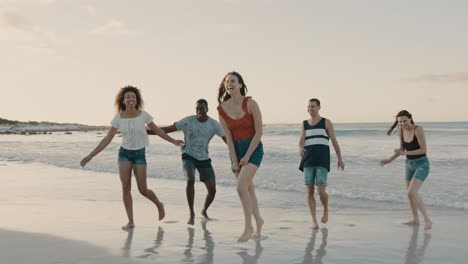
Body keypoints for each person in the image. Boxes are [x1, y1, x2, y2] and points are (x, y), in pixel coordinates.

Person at [80, 85, 184, 230]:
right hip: (124, 154)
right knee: (126, 187)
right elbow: (107, 139)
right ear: (123, 100)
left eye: (133, 97)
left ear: (136, 100)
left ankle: (159, 204)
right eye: (128, 97)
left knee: (143, 189)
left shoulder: (143, 115)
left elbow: (158, 131)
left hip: (139, 155)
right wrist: (90, 155)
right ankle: (131, 221)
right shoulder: (118, 117)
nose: (131, 99)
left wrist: (173, 141)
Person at [152, 99, 226, 225]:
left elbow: (227, 139)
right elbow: (168, 129)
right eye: (197, 108)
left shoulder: (214, 125)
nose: (199, 111)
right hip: (188, 155)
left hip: (204, 158)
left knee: (212, 190)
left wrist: (236, 156)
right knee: (190, 179)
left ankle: (204, 210)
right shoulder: (188, 121)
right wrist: (143, 132)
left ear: (207, 109)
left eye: (202, 108)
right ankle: (191, 213)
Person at [217, 71, 265, 242]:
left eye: (233, 81)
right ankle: (258, 220)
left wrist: (247, 156)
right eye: (227, 81)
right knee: (248, 189)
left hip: (253, 149)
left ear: (240, 84)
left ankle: (248, 227)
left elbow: (259, 133)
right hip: (235, 151)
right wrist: (235, 159)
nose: (229, 84)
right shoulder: (221, 109)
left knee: (240, 188)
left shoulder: (251, 104)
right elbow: (228, 138)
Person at [380, 110, 432, 230]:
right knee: (409, 195)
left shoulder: (418, 129)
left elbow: (423, 150)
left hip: (422, 164)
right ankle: (415, 220)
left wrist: (404, 153)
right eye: (400, 122)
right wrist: (389, 160)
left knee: (412, 192)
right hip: (409, 164)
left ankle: (427, 220)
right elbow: (402, 149)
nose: (403, 124)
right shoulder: (401, 131)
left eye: (405, 121)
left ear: (410, 119)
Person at [298, 98, 345, 229]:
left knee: (321, 190)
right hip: (308, 159)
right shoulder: (304, 124)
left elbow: (334, 141)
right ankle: (314, 221)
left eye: (313, 106)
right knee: (309, 190)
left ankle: (325, 210)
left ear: (319, 107)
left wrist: (340, 158)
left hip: (322, 159)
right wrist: (300, 148)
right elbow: (301, 141)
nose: (310, 109)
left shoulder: (326, 122)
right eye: (308, 107)